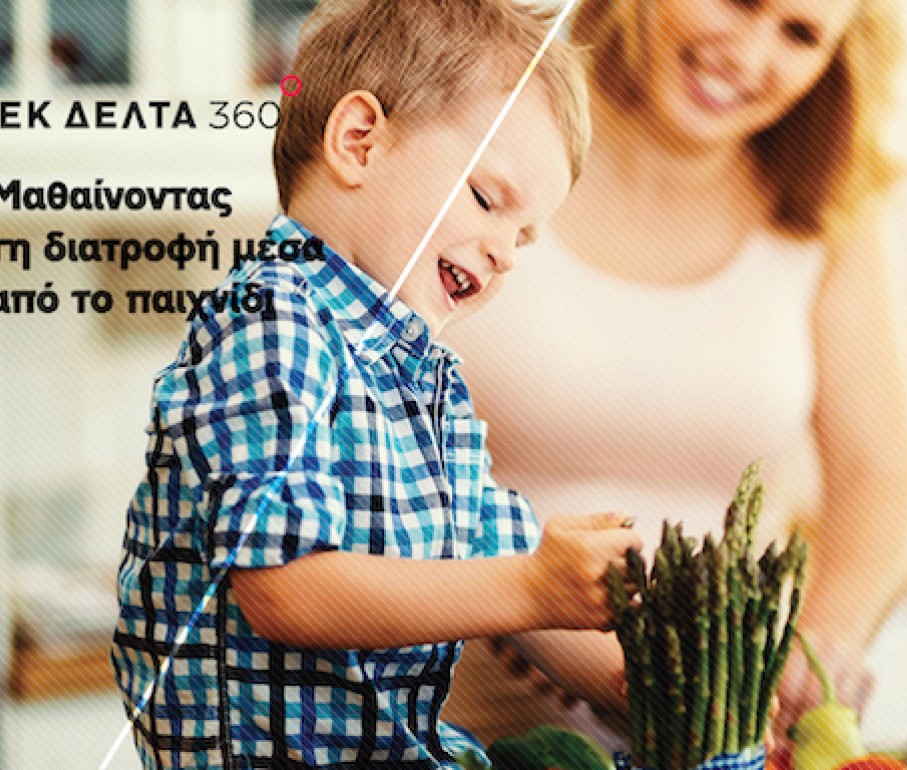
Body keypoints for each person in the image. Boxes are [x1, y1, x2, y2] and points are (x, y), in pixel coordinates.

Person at [108, 1, 641, 767]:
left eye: (525, 237)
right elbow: (285, 589)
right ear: (359, 142)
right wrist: (533, 585)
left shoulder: (425, 378)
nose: (507, 253)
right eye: (489, 200)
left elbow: (507, 578)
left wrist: (657, 678)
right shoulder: (270, 320)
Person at [440, 0, 907, 750]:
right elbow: (395, 468)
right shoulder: (474, 142)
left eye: (800, 34)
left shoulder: (828, 211)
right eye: (740, 3)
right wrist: (619, 675)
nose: (751, 54)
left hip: (732, 737)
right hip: (471, 732)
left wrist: (827, 637)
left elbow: (882, 474)